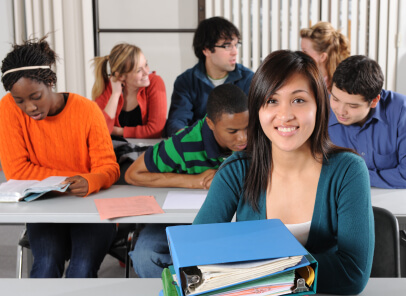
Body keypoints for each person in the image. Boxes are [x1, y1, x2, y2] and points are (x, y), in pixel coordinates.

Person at [194, 50, 374, 295]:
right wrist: (296, 271)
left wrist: (258, 270)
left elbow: (352, 275)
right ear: (258, 110)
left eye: (298, 100)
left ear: (319, 106)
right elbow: (196, 254)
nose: (285, 115)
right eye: (271, 100)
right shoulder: (236, 170)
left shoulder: (348, 171)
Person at [0, 37, 120, 278]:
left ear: (51, 82)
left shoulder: (87, 111)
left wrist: (91, 181)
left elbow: (108, 167)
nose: (29, 107)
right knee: (44, 266)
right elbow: (16, 173)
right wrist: (72, 180)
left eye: (36, 96)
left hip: (90, 208)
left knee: (82, 269)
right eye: (19, 100)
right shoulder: (8, 109)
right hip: (45, 209)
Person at [125, 84, 249, 277]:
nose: (243, 138)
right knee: (145, 256)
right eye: (232, 131)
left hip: (239, 223)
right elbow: (133, 174)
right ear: (210, 123)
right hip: (184, 222)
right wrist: (194, 181)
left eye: (247, 128)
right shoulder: (185, 142)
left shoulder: (262, 135)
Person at [165, 16, 254, 136]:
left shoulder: (248, 79)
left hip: (237, 147)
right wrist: (189, 142)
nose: (235, 52)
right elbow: (177, 123)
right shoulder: (186, 81)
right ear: (206, 50)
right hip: (197, 147)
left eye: (235, 45)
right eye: (227, 46)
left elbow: (254, 122)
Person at [329, 55, 406, 188]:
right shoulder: (318, 111)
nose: (340, 111)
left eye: (352, 106)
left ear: (374, 101)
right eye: (335, 99)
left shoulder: (401, 111)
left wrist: (352, 177)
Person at [92, 43, 167, 138]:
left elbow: (155, 130)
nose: (146, 72)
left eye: (146, 65)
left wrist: (117, 131)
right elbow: (99, 131)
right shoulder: (107, 87)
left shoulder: (155, 82)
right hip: (115, 149)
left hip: (147, 149)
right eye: (139, 70)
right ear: (120, 76)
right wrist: (115, 95)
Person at [300, 21, 350, 90]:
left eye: (305, 51)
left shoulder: (337, 90)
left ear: (322, 57)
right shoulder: (307, 79)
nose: (300, 55)